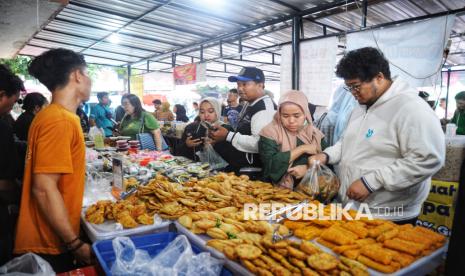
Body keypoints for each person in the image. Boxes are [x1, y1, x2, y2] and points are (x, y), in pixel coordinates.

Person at [309, 47, 445, 224]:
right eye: (349, 88)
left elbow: (427, 158)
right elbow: (346, 142)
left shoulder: (411, 108)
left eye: (356, 86)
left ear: (379, 77)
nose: (353, 93)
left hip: (390, 214)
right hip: (355, 208)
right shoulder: (360, 107)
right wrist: (327, 155)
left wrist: (370, 182)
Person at [14, 48, 92, 272]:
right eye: (87, 73)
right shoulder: (59, 120)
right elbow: (44, 189)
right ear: (77, 75)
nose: (89, 79)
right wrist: (74, 243)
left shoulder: (50, 115)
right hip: (49, 241)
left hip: (52, 235)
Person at [209, 67, 276, 174]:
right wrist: (224, 129)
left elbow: (260, 144)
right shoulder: (249, 103)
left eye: (245, 84)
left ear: (260, 85)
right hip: (240, 164)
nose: (240, 88)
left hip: (253, 171)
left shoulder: (265, 109)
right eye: (238, 84)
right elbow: (242, 128)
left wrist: (228, 135)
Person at [259, 90, 324, 189]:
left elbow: (328, 159)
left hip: (311, 191)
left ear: (305, 114)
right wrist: (302, 149)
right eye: (285, 116)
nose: (291, 121)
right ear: (279, 114)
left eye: (297, 116)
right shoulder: (269, 132)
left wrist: (308, 169)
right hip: (277, 192)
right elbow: (270, 164)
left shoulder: (314, 133)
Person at [0, 64, 24, 266]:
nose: (11, 108)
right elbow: (4, 184)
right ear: (1, 95)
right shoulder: (1, 127)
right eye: (13, 101)